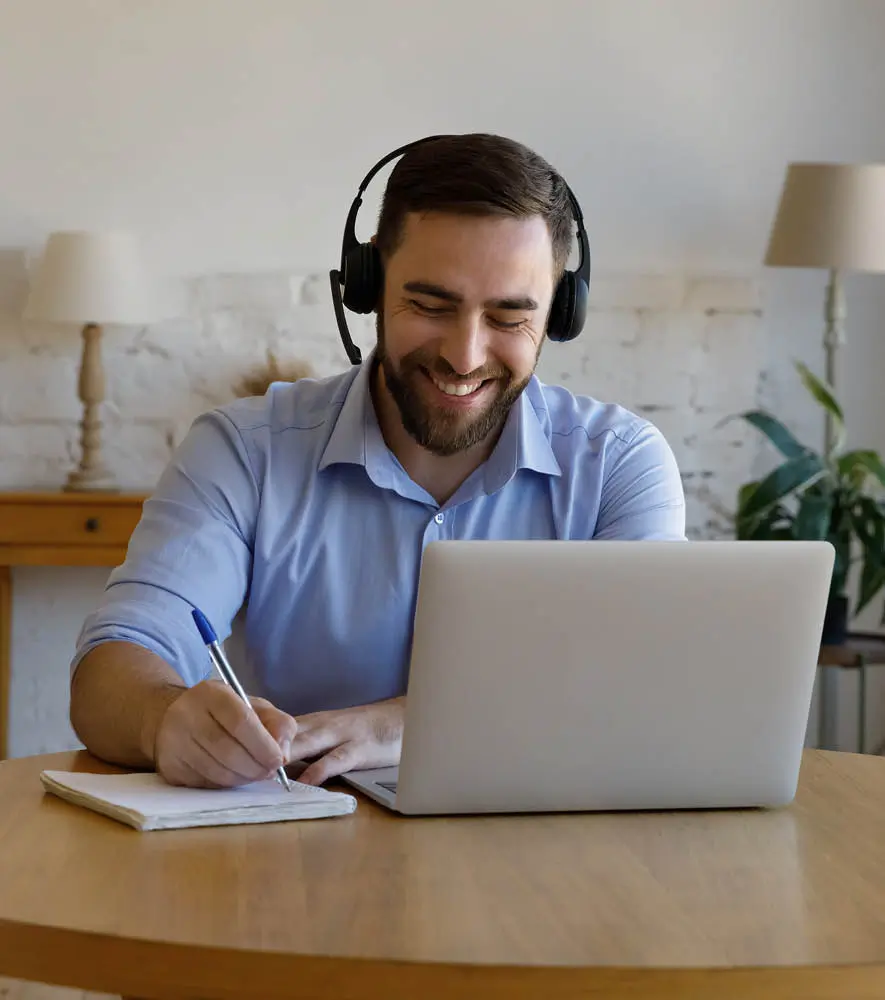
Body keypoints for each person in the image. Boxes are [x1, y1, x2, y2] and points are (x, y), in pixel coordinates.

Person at [69, 133, 686, 791]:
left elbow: (643, 697)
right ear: (365, 288)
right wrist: (162, 718)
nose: (464, 355)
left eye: (508, 318)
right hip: (296, 863)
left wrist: (404, 724)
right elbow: (112, 665)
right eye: (428, 306)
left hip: (543, 865)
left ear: (561, 312)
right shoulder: (245, 450)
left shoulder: (619, 464)